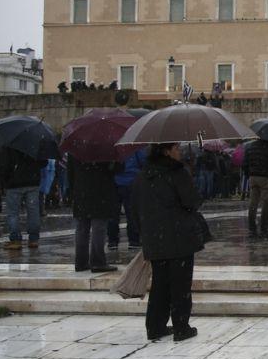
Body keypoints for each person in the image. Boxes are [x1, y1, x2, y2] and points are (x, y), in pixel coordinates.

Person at [131, 142, 201, 342]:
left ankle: (155, 326)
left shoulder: (143, 175)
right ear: (166, 151)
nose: (180, 151)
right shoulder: (177, 173)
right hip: (179, 237)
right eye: (177, 148)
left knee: (160, 285)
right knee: (180, 284)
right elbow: (192, 201)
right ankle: (181, 327)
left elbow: (134, 208)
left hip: (155, 239)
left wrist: (146, 232)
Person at [67, 155, 118, 273]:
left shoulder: (75, 145)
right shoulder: (106, 147)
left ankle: (81, 262)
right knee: (98, 227)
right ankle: (98, 262)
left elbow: (70, 172)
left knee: (82, 228)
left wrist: (73, 191)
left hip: (81, 191)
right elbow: (116, 170)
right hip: (101, 191)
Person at [0, 147, 46, 250]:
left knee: (13, 213)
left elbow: (4, 165)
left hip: (14, 183)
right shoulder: (35, 142)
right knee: (33, 211)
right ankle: (33, 239)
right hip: (32, 181)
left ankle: (16, 240)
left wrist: (5, 179)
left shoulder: (9, 144)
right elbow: (43, 163)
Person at [108, 148, 146, 250]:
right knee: (132, 213)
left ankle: (112, 241)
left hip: (114, 181)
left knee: (113, 214)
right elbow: (143, 160)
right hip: (132, 180)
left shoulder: (112, 142)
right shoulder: (133, 144)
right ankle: (133, 240)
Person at [242, 138, 268, 238]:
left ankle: (252, 228)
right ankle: (264, 229)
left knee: (253, 203)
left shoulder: (250, 146)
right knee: (266, 204)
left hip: (253, 176)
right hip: (266, 177)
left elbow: (245, 163)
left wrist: (249, 174)